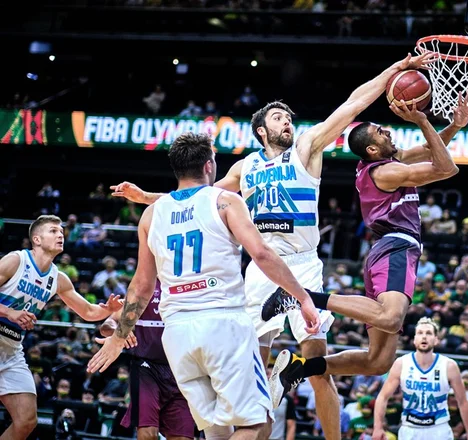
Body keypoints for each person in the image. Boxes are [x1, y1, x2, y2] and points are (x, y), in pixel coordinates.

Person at [109, 52, 438, 440]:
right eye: (279, 117)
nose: (288, 121)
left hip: (301, 265)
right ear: (261, 130)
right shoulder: (244, 168)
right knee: (251, 368)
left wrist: (394, 70)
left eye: (289, 117)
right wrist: (148, 197)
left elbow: (353, 103)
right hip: (261, 272)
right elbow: (197, 196)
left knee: (315, 365)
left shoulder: (307, 148)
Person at [87, 133, 320, 440]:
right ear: (209, 166)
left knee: (216, 431)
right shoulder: (224, 201)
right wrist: (302, 297)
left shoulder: (152, 214)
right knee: (257, 423)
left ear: (176, 168)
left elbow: (141, 286)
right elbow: (262, 253)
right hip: (223, 325)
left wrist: (120, 335)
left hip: (177, 336)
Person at [265, 92, 468, 406]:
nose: (389, 131)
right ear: (372, 149)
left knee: (378, 361)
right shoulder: (385, 172)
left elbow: (428, 149)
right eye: (382, 132)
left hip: (385, 251)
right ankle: (304, 296)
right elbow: (447, 168)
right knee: (391, 319)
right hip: (395, 247)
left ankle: (300, 369)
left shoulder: (386, 162)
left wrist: (455, 126)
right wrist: (420, 119)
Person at [0, 214, 123, 440]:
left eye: (61, 231)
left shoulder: (58, 278)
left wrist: (107, 308)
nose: (60, 235)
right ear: (36, 239)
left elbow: (87, 312)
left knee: (27, 420)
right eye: (53, 231)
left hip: (11, 347)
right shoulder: (16, 261)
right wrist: (9, 312)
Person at [96, 280, 195, 440]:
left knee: (182, 437)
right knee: (148, 434)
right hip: (146, 368)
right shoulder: (145, 285)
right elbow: (109, 322)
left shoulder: (187, 282)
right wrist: (119, 332)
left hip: (182, 369)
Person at [372, 317, 468, 440]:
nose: (424, 337)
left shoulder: (449, 366)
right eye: (420, 333)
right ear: (414, 339)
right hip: (410, 428)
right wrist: (377, 427)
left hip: (439, 429)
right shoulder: (401, 363)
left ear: (436, 340)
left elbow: (463, 402)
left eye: (429, 333)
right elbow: (383, 397)